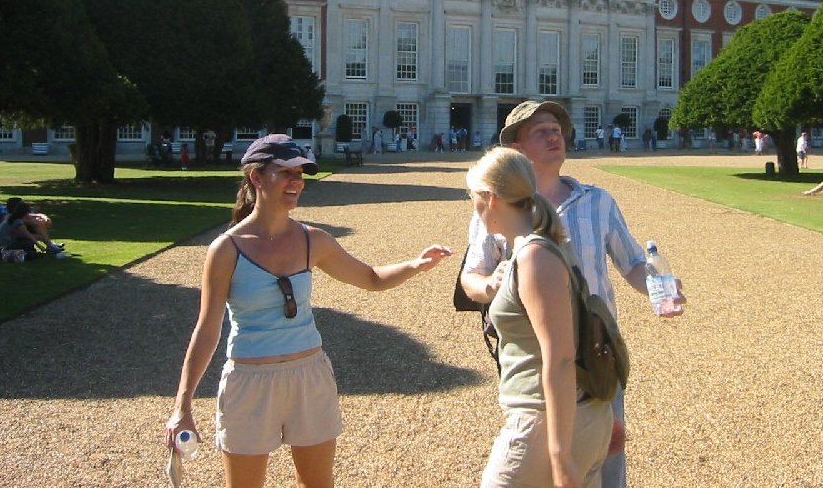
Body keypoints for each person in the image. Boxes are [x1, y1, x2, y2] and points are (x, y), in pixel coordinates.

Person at [164, 134, 452, 488]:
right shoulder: (226, 249)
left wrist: (417, 265)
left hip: (309, 376)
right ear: (256, 177)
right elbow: (207, 330)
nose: (296, 182)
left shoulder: (314, 240)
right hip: (249, 383)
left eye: (300, 174)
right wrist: (182, 406)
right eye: (286, 172)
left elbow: (371, 278)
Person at [460, 101, 684, 488]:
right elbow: (471, 278)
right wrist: (490, 286)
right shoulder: (498, 207)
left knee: (605, 468)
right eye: (541, 131)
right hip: (536, 365)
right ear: (517, 149)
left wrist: (658, 288)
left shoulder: (598, 201)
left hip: (596, 356)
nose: (554, 136)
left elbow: (632, 262)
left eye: (557, 129)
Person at [467, 147, 612, 488]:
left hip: (543, 423)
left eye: (473, 198)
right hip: (578, 413)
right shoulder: (544, 244)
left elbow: (560, 357)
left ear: (491, 199)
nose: (474, 208)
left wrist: (560, 454)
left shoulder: (534, 256)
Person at [0, 200, 65, 258]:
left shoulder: (13, 217)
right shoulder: (17, 221)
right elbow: (28, 235)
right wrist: (39, 246)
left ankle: (50, 246)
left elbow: (35, 216)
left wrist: (45, 219)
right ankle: (50, 247)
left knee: (31, 242)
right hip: (3, 248)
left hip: (4, 246)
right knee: (28, 244)